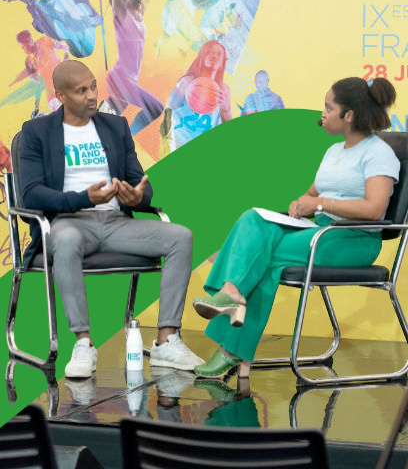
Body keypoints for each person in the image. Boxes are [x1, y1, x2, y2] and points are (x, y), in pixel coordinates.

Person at [192, 76, 399, 378]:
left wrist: (319, 204)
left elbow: (374, 209)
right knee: (253, 219)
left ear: (349, 115)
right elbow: (312, 194)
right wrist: (300, 204)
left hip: (352, 240)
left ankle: (232, 347)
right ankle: (230, 292)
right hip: (319, 232)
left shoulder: (379, 153)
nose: (322, 115)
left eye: (328, 108)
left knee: (264, 257)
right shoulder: (335, 151)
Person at [19, 60, 204, 378]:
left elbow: (139, 182)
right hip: (69, 222)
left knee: (180, 236)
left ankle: (166, 340)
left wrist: (137, 197)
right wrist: (82, 199)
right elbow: (31, 194)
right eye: (81, 91)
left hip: (116, 223)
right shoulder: (37, 132)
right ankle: (83, 343)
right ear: (61, 96)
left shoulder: (115, 127)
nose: (92, 95)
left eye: (93, 86)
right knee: (65, 238)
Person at [100, 0, 163, 137]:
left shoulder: (139, 13)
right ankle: (124, 137)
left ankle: (104, 136)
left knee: (104, 123)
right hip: (120, 79)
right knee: (156, 108)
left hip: (128, 82)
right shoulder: (121, 12)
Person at [161, 40, 232, 153]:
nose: (214, 56)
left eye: (219, 54)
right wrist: (167, 145)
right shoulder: (186, 81)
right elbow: (168, 113)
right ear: (202, 57)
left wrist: (225, 110)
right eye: (210, 52)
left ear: (221, 64)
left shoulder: (224, 90)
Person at [9, 31, 69, 115]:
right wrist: (36, 107)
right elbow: (37, 85)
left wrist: (66, 56)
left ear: (30, 40)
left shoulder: (44, 41)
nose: (24, 49)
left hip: (62, 80)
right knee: (56, 109)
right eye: (22, 47)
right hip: (51, 92)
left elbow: (65, 47)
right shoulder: (29, 62)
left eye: (24, 45)